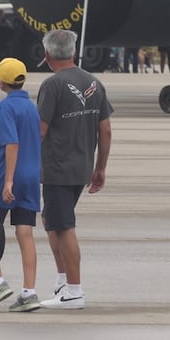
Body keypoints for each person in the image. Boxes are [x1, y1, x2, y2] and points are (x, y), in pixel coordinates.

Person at [35, 29, 112, 311]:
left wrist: (22, 163)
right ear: (74, 53)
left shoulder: (52, 85)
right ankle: (62, 281)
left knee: (64, 225)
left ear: (47, 55)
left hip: (57, 166)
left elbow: (40, 130)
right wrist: (100, 167)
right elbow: (105, 130)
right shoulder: (94, 82)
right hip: (81, 167)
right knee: (52, 220)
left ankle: (74, 291)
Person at [0, 58, 43, 313]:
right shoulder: (32, 108)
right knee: (24, 232)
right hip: (31, 175)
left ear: (2, 82)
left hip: (7, 173)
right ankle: (29, 292)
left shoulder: (5, 108)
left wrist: (8, 180)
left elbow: (11, 143)